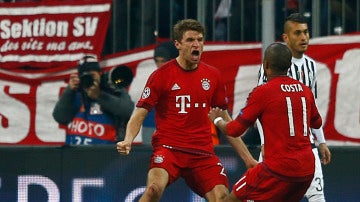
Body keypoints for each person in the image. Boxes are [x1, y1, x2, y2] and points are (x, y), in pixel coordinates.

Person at [116, 19, 232, 201]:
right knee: (153, 190)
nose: (196, 44)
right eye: (190, 40)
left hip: (202, 152)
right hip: (169, 149)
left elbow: (228, 121)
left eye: (200, 39)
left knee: (222, 197)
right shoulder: (161, 76)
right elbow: (139, 114)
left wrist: (248, 159)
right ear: (177, 44)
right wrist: (128, 140)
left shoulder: (213, 75)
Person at [209, 42, 323, 201]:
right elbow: (317, 123)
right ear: (289, 66)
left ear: (266, 65)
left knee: (228, 200)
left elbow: (234, 130)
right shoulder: (305, 90)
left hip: (276, 170)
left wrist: (218, 120)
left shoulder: (263, 92)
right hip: (305, 171)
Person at [256, 13, 331, 201]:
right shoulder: (272, 66)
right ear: (286, 38)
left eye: (306, 32)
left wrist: (321, 141)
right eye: (297, 33)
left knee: (317, 197)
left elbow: (312, 110)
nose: (303, 37)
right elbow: (258, 109)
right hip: (275, 146)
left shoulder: (311, 66)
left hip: (305, 146)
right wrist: (264, 142)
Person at [53, 55, 134, 145]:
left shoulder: (112, 90)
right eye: (86, 76)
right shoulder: (76, 92)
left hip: (107, 154)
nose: (90, 79)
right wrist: (69, 91)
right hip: (75, 154)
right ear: (80, 77)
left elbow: (127, 110)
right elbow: (60, 118)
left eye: (92, 75)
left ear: (99, 73)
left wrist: (99, 96)